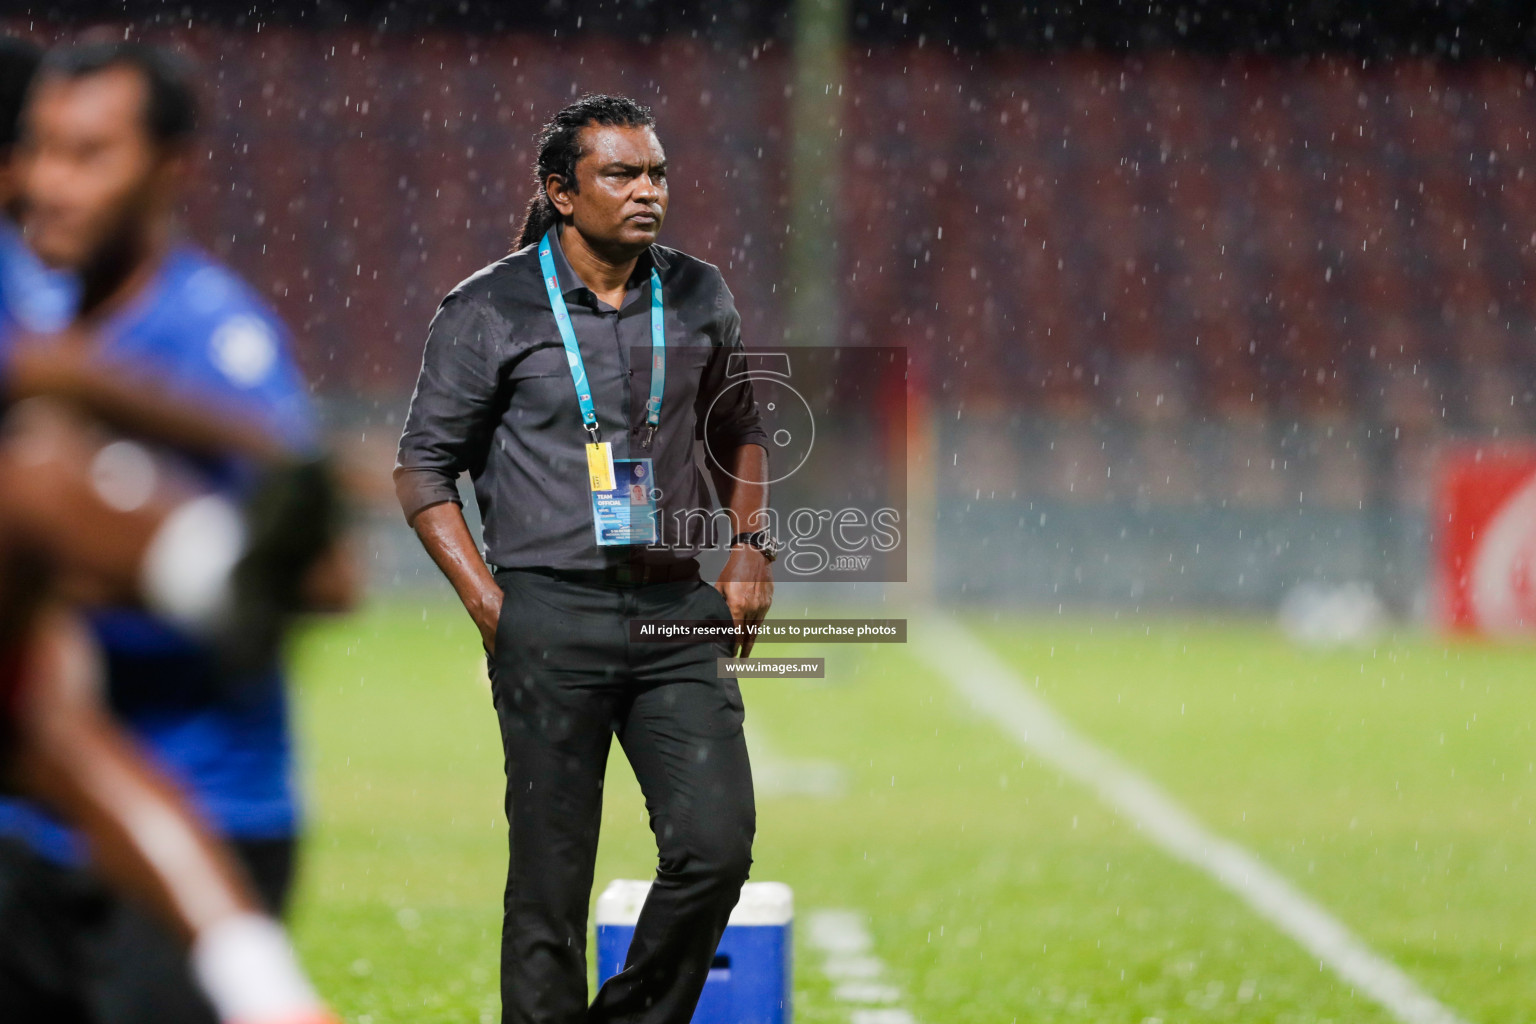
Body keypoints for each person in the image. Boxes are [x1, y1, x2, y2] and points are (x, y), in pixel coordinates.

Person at [396, 94, 777, 1023]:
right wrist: (493, 606)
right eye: (621, 174)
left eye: (656, 174)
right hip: (547, 611)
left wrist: (752, 545)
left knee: (716, 848)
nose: (648, 191)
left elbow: (742, 428)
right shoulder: (488, 306)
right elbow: (422, 471)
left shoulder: (699, 292)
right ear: (562, 194)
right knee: (550, 888)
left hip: (676, 608)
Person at [0, 38, 350, 1023]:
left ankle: (199, 569)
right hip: (27, 828)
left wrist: (96, 576)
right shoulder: (24, 309)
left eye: (89, 154)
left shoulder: (214, 338)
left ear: (168, 167)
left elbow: (328, 579)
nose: (51, 185)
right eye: (40, 149)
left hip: (205, 804)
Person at [0, 403, 340, 1024]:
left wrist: (268, 994)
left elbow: (75, 759)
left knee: (36, 468)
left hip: (202, 800)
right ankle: (213, 574)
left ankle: (215, 573)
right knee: (33, 472)